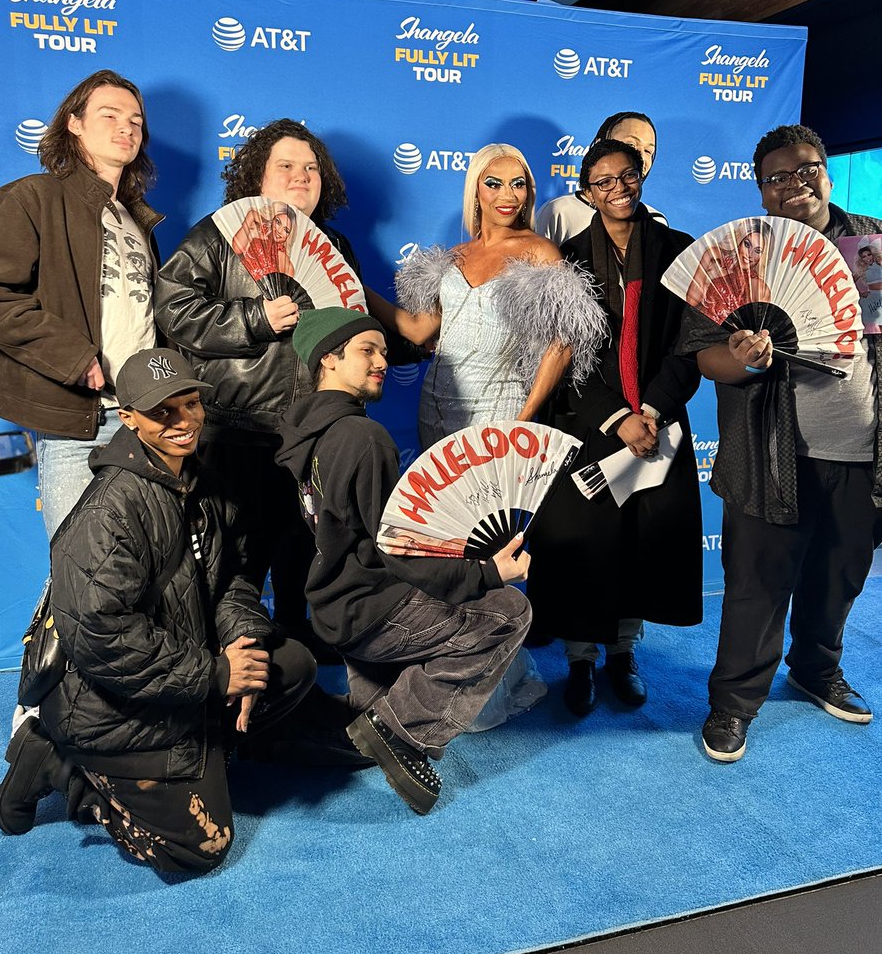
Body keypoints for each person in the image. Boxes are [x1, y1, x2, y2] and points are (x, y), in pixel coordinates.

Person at [0, 348, 317, 873]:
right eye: (163, 412)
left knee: (288, 665)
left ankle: (209, 751)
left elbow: (231, 575)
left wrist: (239, 642)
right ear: (129, 420)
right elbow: (101, 636)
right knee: (200, 848)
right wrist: (216, 674)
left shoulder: (204, 483)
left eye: (191, 404)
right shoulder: (108, 511)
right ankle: (57, 765)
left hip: (181, 674)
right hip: (107, 703)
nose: (184, 421)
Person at [678, 124, 882, 762]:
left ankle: (816, 668)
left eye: (807, 169)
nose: (794, 185)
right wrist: (745, 359)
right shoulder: (741, 257)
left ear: (826, 171)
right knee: (756, 586)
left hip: (864, 449)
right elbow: (701, 355)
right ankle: (734, 704)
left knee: (841, 575)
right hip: (771, 454)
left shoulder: (872, 240)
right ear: (762, 191)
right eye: (777, 177)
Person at [277, 308, 533, 815]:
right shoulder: (363, 438)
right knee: (508, 613)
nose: (381, 362)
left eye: (384, 352)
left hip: (333, 605)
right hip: (374, 608)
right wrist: (487, 573)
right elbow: (401, 551)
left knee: (361, 720)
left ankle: (366, 717)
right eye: (366, 351)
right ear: (328, 359)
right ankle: (397, 733)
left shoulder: (304, 431)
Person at [155, 119, 357, 638]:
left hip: (315, 429)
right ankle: (236, 669)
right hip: (240, 430)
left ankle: (298, 643)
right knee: (236, 560)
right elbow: (173, 308)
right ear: (256, 178)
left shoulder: (333, 246)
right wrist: (255, 319)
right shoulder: (220, 234)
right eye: (285, 166)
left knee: (307, 549)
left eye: (311, 167)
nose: (301, 176)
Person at [528, 139, 703, 715]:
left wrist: (649, 410)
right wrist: (616, 415)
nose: (618, 189)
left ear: (642, 176)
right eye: (603, 182)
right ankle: (579, 659)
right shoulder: (568, 260)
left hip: (658, 421)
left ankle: (624, 653)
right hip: (589, 422)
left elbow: (690, 345)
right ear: (587, 191)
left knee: (640, 545)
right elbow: (564, 355)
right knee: (586, 545)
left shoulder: (680, 251)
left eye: (627, 176)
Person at [0, 70, 162, 538]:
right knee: (81, 581)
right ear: (74, 123)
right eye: (110, 115)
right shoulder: (30, 198)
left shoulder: (139, 221)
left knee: (149, 579)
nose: (127, 128)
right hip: (79, 422)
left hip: (146, 420)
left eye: (136, 121)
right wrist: (74, 357)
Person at [366, 143, 607, 449]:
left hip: (501, 410)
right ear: (476, 190)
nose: (507, 195)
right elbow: (418, 329)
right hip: (433, 409)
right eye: (494, 183)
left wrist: (524, 418)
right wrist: (358, 287)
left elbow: (562, 343)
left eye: (517, 184)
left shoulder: (539, 251)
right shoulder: (455, 255)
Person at [536, 111, 666, 246]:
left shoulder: (655, 221)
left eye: (648, 151)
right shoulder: (558, 211)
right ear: (600, 144)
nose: (641, 157)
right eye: (631, 145)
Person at [685, 217, 775, 326]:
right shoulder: (714, 257)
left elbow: (756, 327)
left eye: (757, 251)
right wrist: (708, 260)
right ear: (738, 241)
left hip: (729, 339)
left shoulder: (759, 287)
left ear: (764, 255)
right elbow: (691, 300)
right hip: (696, 327)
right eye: (747, 244)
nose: (749, 255)